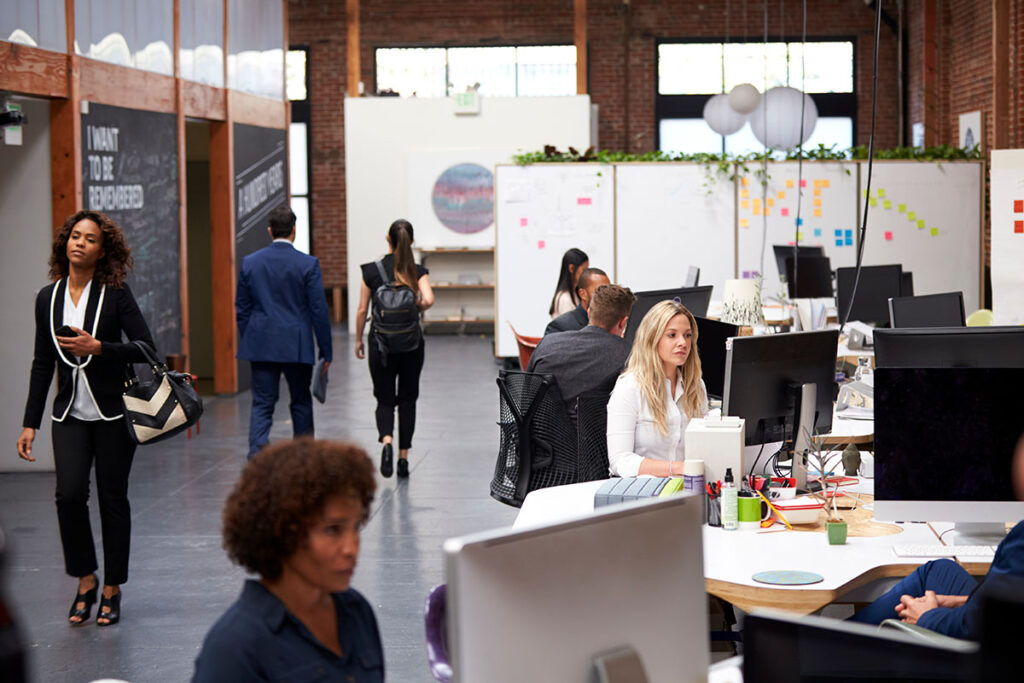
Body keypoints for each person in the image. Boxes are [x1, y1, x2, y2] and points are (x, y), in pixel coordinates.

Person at [17, 210, 157, 626]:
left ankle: (112, 588)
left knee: (113, 499)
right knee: (69, 495)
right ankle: (85, 579)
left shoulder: (115, 294)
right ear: (65, 244)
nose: (79, 243)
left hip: (114, 412)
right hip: (69, 414)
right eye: (74, 236)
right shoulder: (48, 297)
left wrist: (100, 348)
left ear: (102, 250)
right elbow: (43, 363)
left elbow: (146, 347)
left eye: (89, 239)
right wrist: (31, 422)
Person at [192, 438, 383, 682]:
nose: (352, 548)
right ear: (283, 531)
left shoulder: (356, 612)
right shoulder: (234, 649)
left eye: (355, 527)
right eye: (333, 530)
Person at [847, 433, 1024, 638]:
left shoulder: (1019, 547)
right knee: (939, 571)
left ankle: (829, 648)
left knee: (824, 649)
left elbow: (984, 628)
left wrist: (927, 616)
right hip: (989, 618)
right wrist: (960, 602)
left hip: (982, 656)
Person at [236, 205, 333, 459]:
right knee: (300, 401)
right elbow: (319, 311)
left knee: (262, 403)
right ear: (295, 230)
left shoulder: (250, 263)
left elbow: (242, 309)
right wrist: (326, 351)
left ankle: (257, 456)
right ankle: (304, 457)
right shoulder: (308, 264)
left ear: (270, 231)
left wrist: (252, 336)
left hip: (262, 344)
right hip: (296, 345)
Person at [354, 219, 434, 478]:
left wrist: (358, 339)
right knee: (408, 399)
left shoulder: (371, 271)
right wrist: (415, 305)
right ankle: (403, 458)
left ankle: (386, 441)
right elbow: (429, 299)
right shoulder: (417, 270)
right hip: (411, 345)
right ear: (410, 242)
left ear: (387, 239)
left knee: (384, 398)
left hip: (381, 344)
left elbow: (362, 310)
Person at [606, 300, 709, 477]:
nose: (682, 343)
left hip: (688, 488)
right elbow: (620, 461)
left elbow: (707, 445)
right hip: (645, 492)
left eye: (687, 335)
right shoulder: (630, 387)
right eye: (672, 335)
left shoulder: (696, 385)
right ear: (653, 338)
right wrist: (677, 468)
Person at [528, 284, 635, 417]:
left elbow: (527, 396)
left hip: (538, 434)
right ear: (623, 322)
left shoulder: (547, 343)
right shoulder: (628, 355)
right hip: (594, 437)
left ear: (589, 312)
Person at [543, 267, 611, 336]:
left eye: (608, 290)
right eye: (600, 290)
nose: (606, 295)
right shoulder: (560, 327)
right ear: (583, 294)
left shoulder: (615, 324)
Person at [549, 248, 589, 318]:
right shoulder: (564, 298)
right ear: (571, 268)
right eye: (584, 270)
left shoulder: (576, 293)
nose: (586, 274)